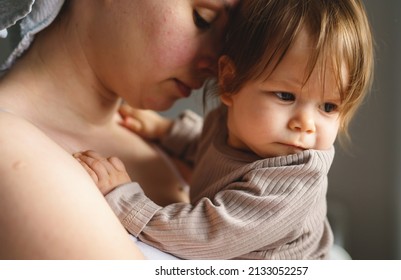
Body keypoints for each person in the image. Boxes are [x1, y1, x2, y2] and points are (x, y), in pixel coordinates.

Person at [75, 0, 374, 259]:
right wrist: (167, 132)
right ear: (230, 82)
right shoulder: (231, 129)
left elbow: (207, 234)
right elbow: (212, 151)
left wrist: (125, 199)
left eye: (329, 107)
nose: (306, 124)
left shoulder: (292, 181)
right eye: (286, 96)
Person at [0, 0, 239, 259]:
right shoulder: (11, 148)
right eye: (202, 19)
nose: (217, 66)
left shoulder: (167, 140)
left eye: (228, 37)